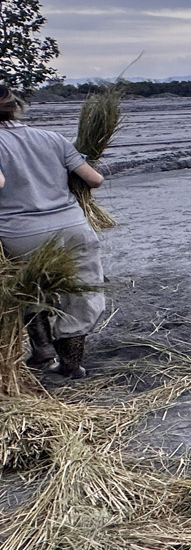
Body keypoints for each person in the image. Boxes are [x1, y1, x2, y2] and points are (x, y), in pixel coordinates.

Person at [0, 85, 107, 377]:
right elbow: (94, 180)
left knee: (28, 290)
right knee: (81, 292)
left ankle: (44, 352)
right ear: (15, 106)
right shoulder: (51, 137)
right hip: (73, 228)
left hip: (22, 235)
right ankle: (72, 363)